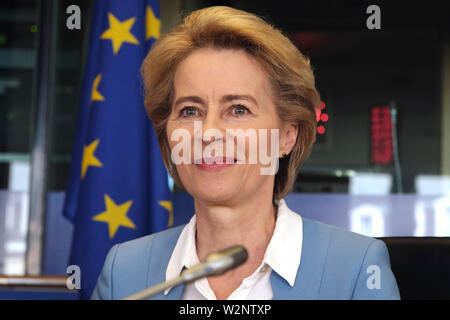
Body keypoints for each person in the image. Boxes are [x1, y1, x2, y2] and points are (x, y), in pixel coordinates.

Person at [91, 6, 400, 300]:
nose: (208, 132)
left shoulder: (355, 269)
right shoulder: (125, 272)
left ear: (287, 136)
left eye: (238, 109)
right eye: (189, 111)